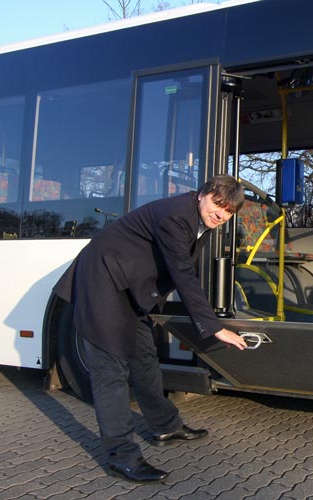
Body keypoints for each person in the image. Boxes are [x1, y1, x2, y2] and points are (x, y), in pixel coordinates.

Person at [53, 174, 248, 483]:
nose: (220, 215)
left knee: (145, 358)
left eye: (228, 212)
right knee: (111, 370)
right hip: (102, 281)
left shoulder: (202, 221)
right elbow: (182, 272)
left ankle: (165, 426)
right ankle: (122, 456)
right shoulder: (175, 215)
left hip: (128, 286)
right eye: (217, 205)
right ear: (202, 195)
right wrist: (212, 326)